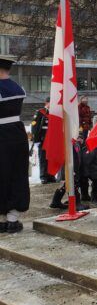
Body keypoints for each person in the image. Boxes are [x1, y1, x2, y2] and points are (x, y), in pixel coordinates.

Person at [0, 57, 30, 233]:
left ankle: (3, 219)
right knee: (17, 173)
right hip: (17, 133)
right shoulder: (18, 88)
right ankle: (12, 218)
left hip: (2, 133)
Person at [31, 97, 57, 184]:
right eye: (51, 103)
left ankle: (51, 175)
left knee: (51, 158)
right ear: (46, 103)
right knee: (43, 158)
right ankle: (43, 176)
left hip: (52, 140)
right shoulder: (40, 112)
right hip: (43, 139)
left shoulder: (55, 113)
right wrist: (36, 139)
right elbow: (34, 126)